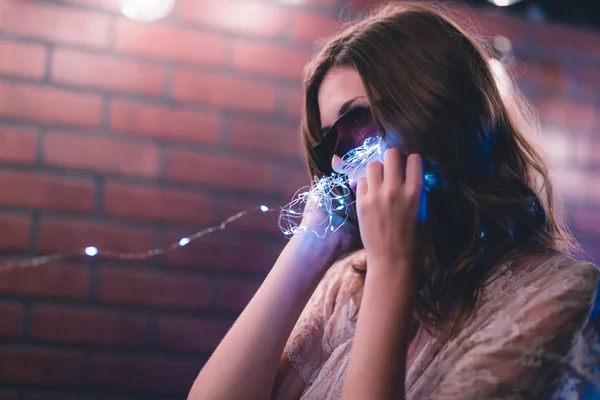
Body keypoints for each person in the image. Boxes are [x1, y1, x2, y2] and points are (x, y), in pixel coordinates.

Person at [188, 3, 600, 399]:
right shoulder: (347, 287)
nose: (336, 157)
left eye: (356, 118)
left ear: (440, 113)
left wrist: (394, 267)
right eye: (328, 137)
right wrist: (312, 244)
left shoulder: (563, 295)